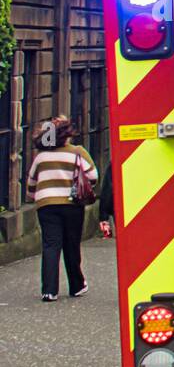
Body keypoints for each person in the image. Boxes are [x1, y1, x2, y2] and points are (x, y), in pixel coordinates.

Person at [25, 116, 99, 302]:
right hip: (72, 204)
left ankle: (49, 290)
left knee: (51, 245)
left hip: (47, 206)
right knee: (71, 244)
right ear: (67, 135)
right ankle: (77, 285)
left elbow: (31, 184)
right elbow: (93, 176)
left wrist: (38, 195)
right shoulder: (77, 152)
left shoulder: (40, 157)